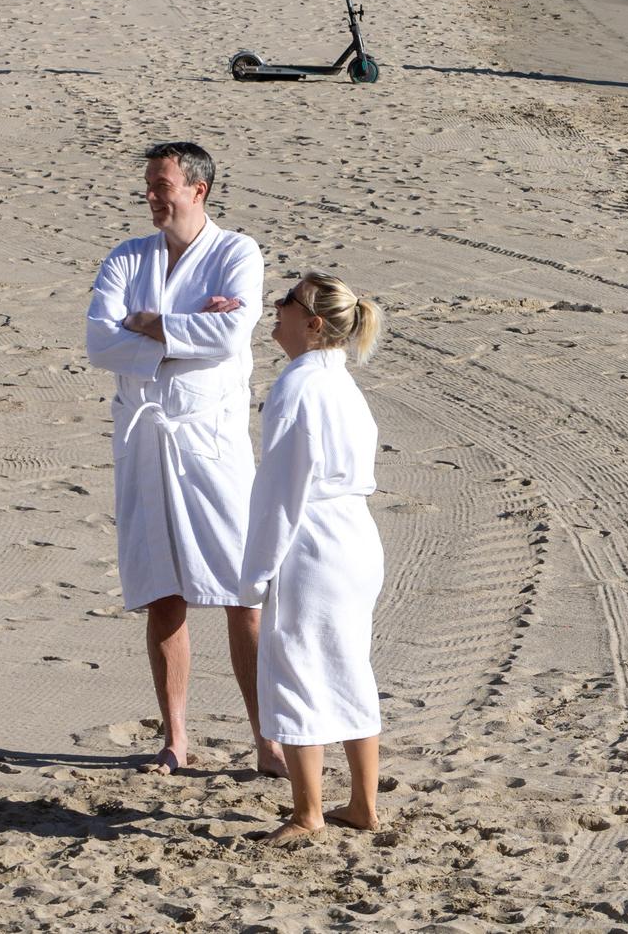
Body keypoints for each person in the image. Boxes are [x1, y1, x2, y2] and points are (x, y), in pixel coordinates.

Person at [85, 142, 282, 776]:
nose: (150, 194)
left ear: (197, 189)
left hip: (212, 443)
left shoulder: (236, 252)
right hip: (144, 442)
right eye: (148, 183)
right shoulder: (126, 257)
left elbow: (230, 336)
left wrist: (148, 323)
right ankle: (175, 739)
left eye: (161, 184)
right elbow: (99, 341)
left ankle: (268, 741)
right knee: (161, 592)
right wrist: (176, 328)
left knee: (241, 591)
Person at [242, 272, 386, 845]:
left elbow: (281, 489)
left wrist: (254, 570)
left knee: (296, 666)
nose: (275, 307)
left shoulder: (298, 385)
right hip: (356, 536)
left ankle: (308, 813)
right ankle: (363, 806)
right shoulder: (343, 384)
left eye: (287, 301)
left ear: (313, 323)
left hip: (315, 541)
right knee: (350, 665)